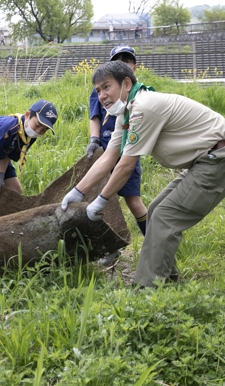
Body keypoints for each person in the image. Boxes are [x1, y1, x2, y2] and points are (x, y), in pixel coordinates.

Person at [61, 61, 225, 288]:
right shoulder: (125, 114)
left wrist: (101, 200)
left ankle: (147, 290)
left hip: (222, 159)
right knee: (156, 210)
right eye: (98, 90)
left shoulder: (143, 107)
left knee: (164, 217)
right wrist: (78, 192)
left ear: (126, 83)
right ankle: (167, 279)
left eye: (106, 87)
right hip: (205, 161)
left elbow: (126, 165)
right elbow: (109, 157)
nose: (101, 95)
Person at [86, 45, 148, 265]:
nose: (123, 63)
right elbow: (94, 117)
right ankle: (110, 247)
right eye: (118, 60)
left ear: (134, 67)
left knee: (133, 201)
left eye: (127, 60)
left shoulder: (140, 96)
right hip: (105, 150)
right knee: (105, 200)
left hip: (128, 150)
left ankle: (153, 240)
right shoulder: (102, 90)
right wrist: (94, 140)